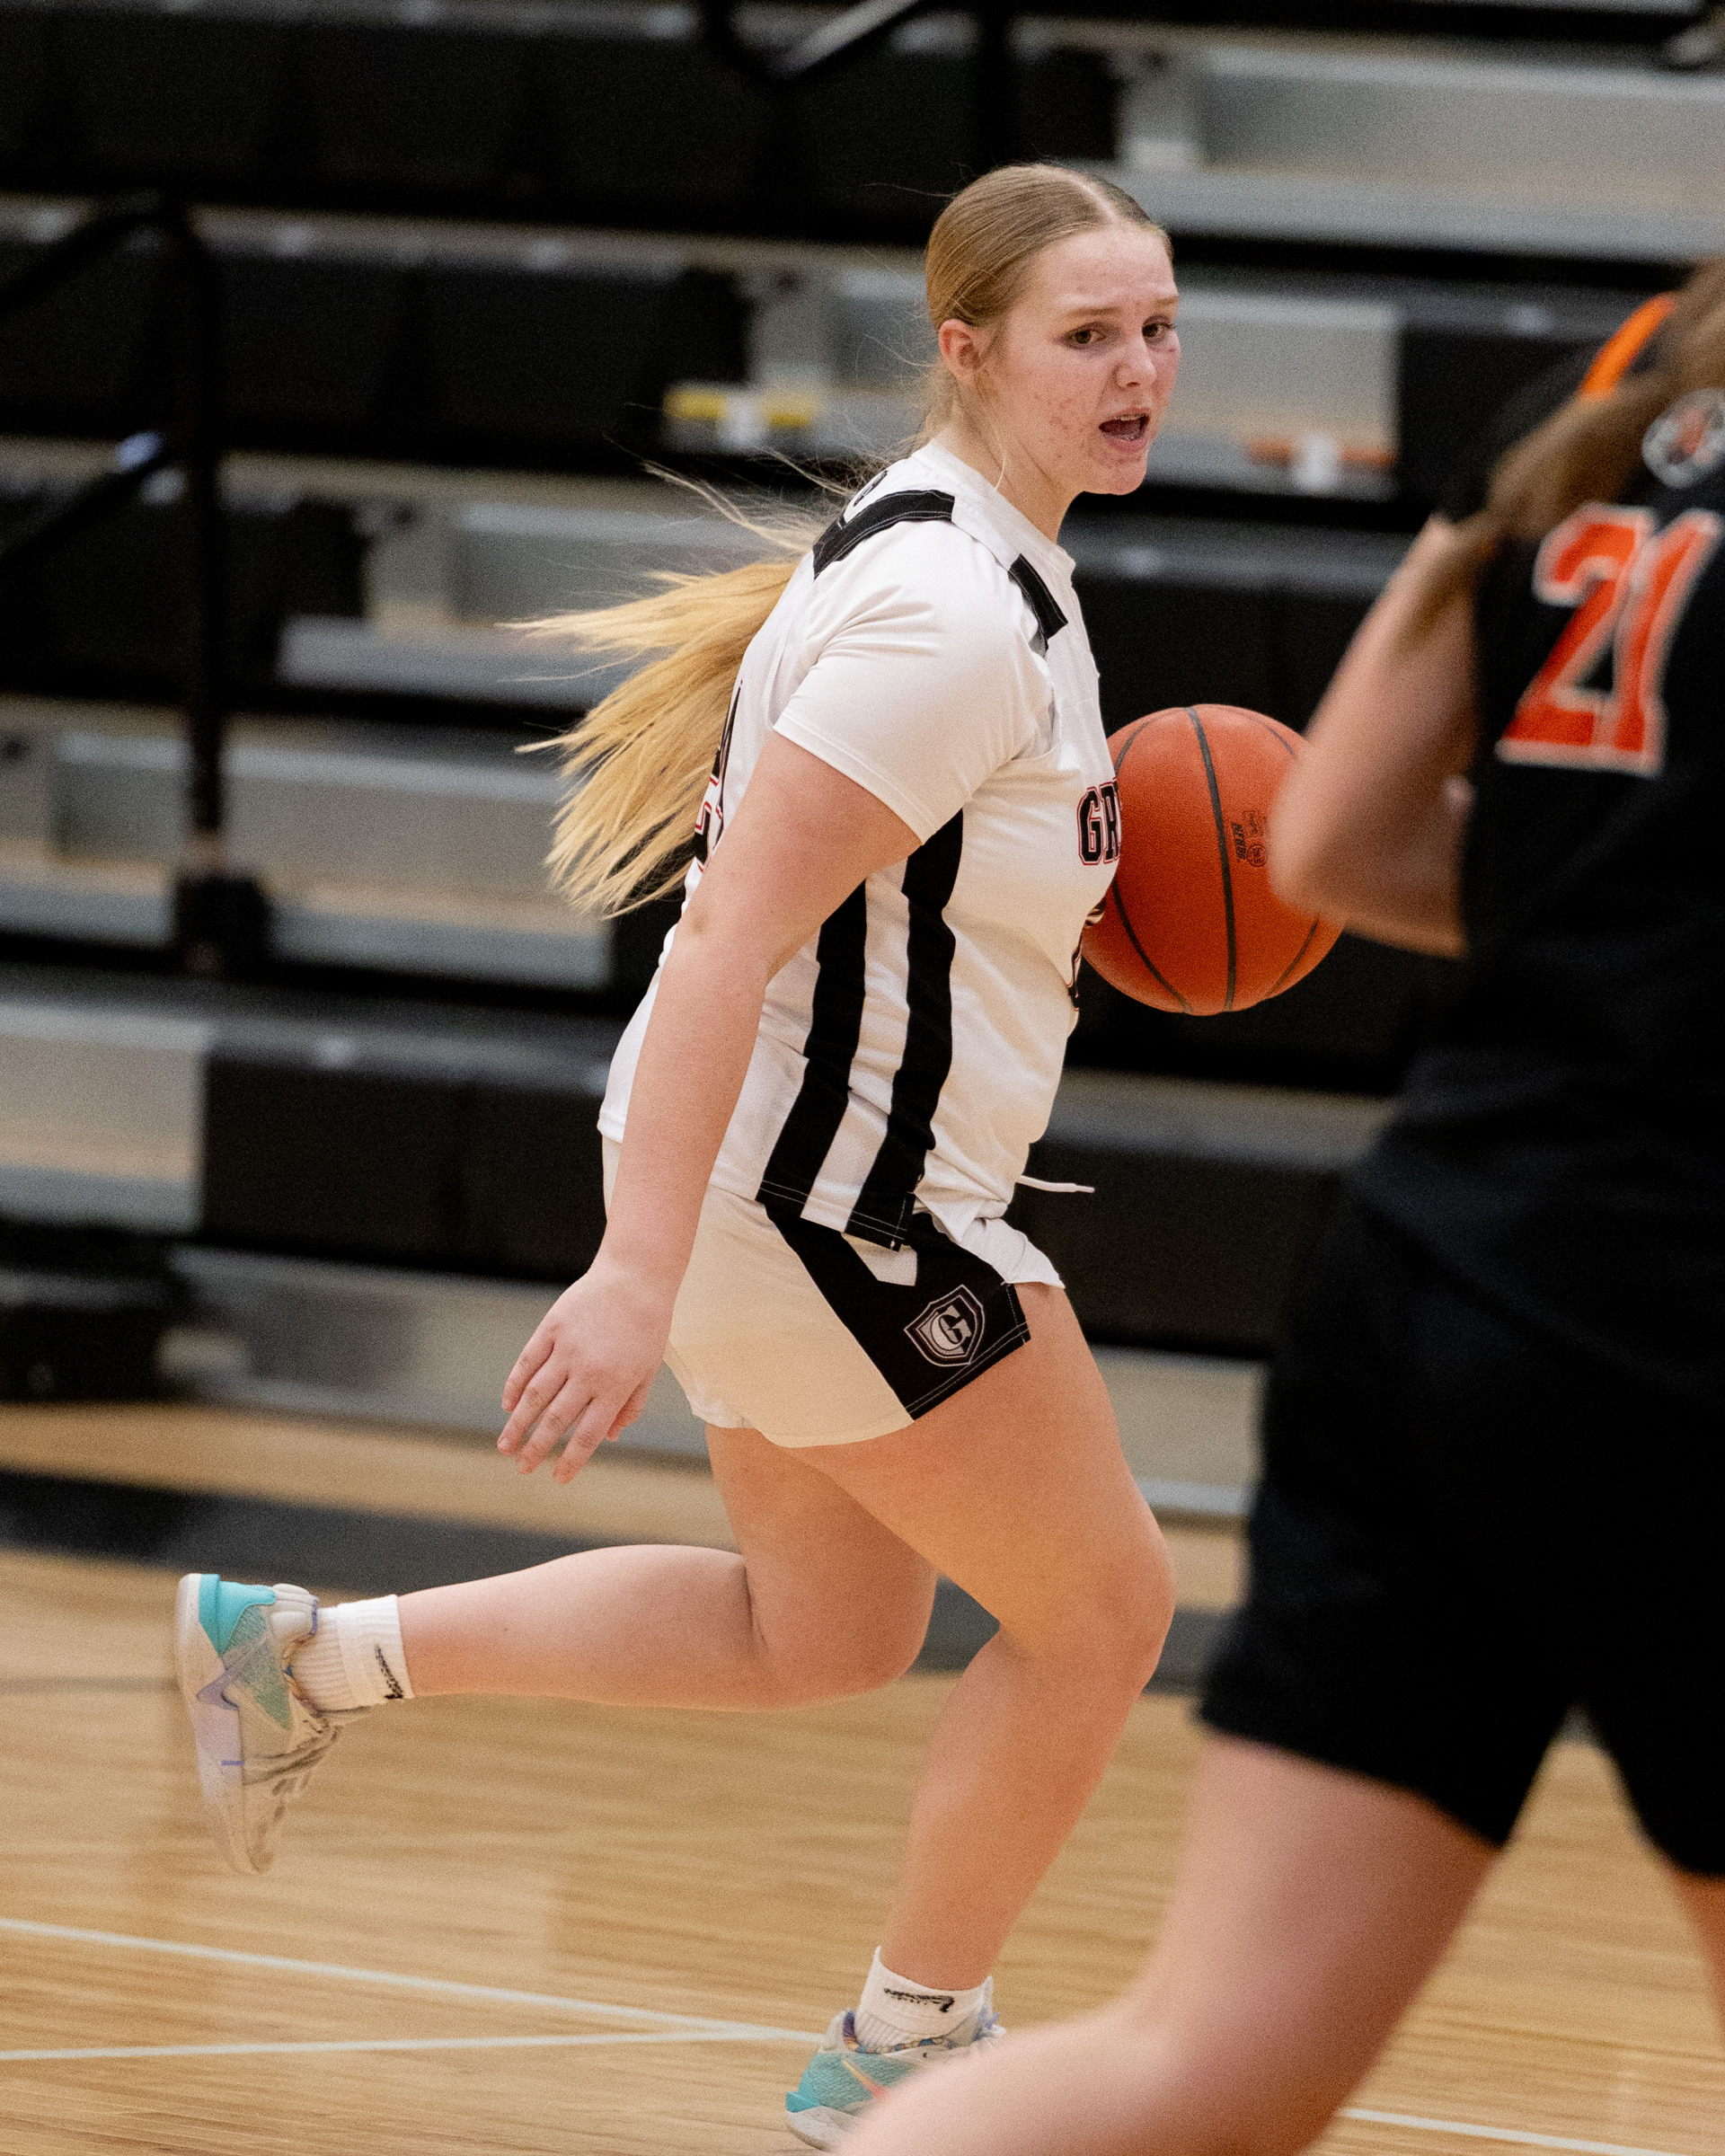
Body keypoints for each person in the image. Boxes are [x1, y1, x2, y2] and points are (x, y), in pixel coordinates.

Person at [173, 163, 1185, 2147]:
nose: (1137, 369)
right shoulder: (949, 613)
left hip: (763, 1184)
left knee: (825, 1632)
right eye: (1088, 335)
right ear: (969, 349)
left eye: (1157, 328)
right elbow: (722, 935)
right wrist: (635, 1274)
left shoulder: (963, 553)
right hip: (825, 1208)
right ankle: (908, 2042)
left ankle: (300, 1658)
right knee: (1107, 1615)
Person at [841, 260, 1725, 2156]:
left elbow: (1326, 839)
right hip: (1677, 1313)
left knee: (1202, 2066)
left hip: (1429, 1272)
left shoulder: (1622, 383)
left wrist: (1611, 913)